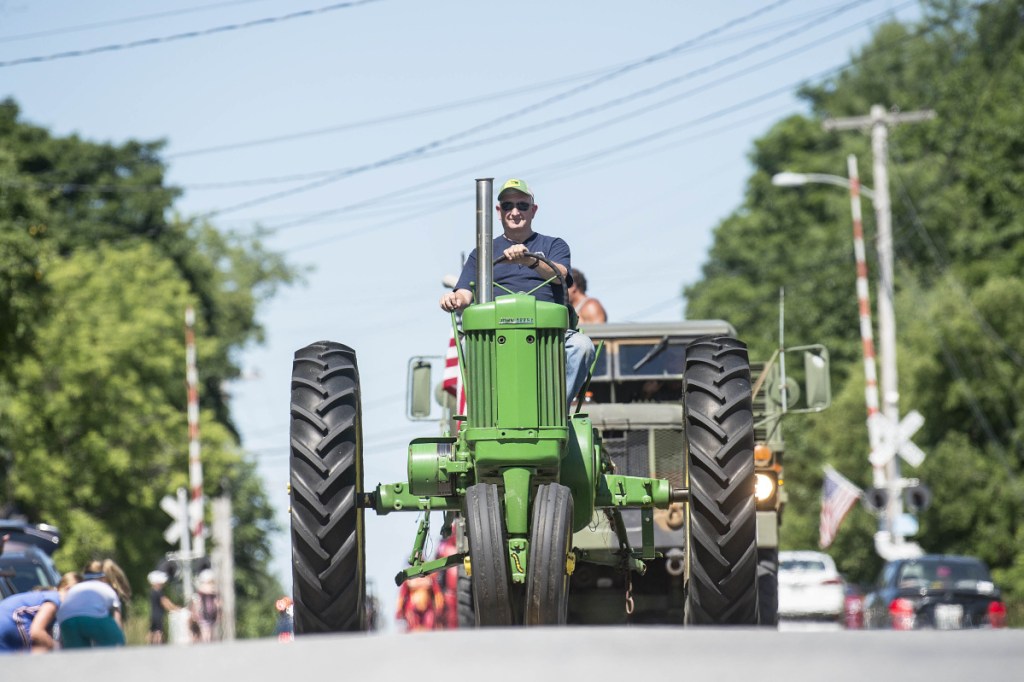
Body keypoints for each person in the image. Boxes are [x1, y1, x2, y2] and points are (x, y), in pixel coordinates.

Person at [439, 178, 595, 408]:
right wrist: (453, 299)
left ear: (533, 210)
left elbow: (560, 275)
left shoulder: (554, 245)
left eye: (522, 205)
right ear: (498, 211)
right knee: (467, 346)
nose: (515, 212)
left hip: (548, 334)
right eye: (508, 206)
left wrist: (530, 260)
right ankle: (489, 411)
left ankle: (555, 411)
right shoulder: (482, 253)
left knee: (582, 346)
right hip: (494, 334)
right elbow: (464, 294)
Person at [0, 571, 79, 653]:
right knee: (31, 654)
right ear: (68, 588)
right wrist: (56, 647)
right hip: (10, 618)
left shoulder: (48, 597)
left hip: (5, 620)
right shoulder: (55, 600)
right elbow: (36, 632)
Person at [57, 560, 128, 648]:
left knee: (76, 657)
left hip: (66, 619)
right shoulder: (106, 588)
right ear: (104, 578)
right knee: (116, 645)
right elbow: (117, 621)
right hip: (92, 617)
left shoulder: (76, 588)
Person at [146, 570, 180, 645]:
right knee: (158, 631)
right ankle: (158, 644)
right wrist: (174, 608)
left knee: (152, 630)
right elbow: (165, 602)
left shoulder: (152, 591)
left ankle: (150, 645)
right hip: (158, 615)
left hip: (152, 614)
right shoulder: (158, 592)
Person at [190, 569, 220, 643]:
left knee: (209, 631)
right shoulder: (200, 593)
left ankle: (207, 643)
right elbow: (196, 603)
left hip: (211, 613)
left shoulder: (213, 594)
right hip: (203, 613)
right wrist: (194, 612)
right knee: (205, 630)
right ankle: (206, 643)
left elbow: (217, 604)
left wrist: (219, 612)